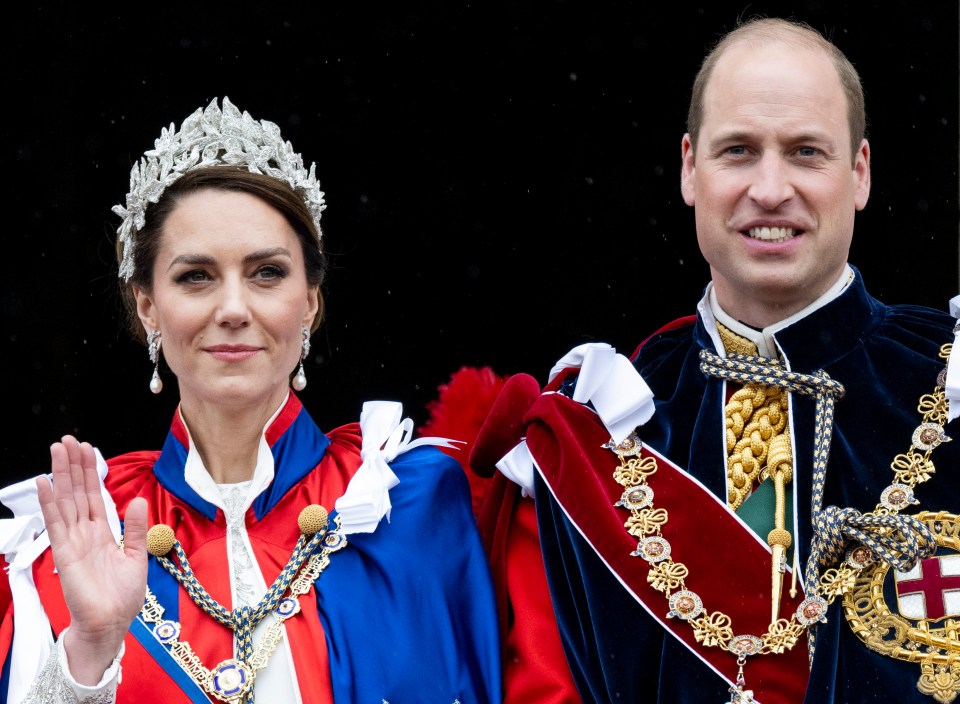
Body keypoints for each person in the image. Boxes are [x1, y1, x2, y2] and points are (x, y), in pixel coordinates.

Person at [460, 16, 960, 704]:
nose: (771, 188)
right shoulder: (597, 428)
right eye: (739, 151)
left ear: (860, 173)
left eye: (807, 152)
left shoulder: (949, 376)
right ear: (691, 168)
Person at [0, 97, 502, 703]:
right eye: (196, 276)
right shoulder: (81, 539)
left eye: (266, 273)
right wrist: (92, 647)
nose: (234, 309)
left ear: (311, 301)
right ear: (147, 306)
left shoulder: (410, 502)